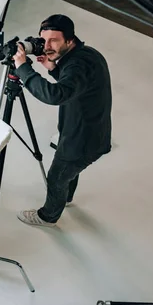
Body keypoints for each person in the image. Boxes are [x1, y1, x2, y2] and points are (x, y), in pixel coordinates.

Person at [12, 14, 112, 227]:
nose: (46, 46)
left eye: (54, 40)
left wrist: (23, 69)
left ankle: (48, 216)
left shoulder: (77, 66)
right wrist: (54, 69)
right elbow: (76, 86)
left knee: (57, 176)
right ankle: (66, 197)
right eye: (43, 40)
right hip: (92, 133)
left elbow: (55, 95)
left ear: (69, 40)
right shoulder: (87, 55)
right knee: (69, 172)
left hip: (80, 141)